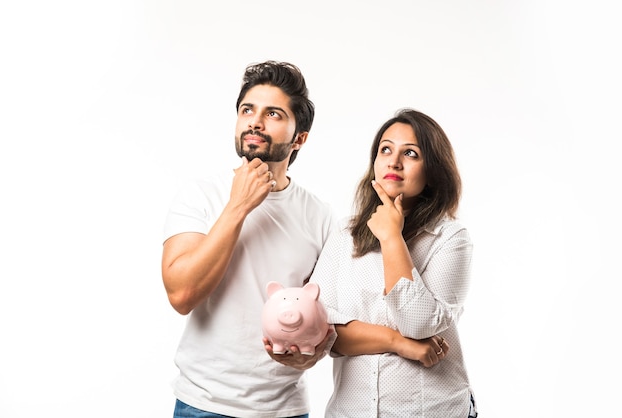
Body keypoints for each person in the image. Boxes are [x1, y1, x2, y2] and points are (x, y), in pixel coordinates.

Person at [161, 61, 336, 418]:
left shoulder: (320, 217)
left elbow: (327, 321)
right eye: (247, 110)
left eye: (273, 113)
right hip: (203, 404)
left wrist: (312, 352)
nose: (255, 121)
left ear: (299, 138)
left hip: (286, 409)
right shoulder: (201, 196)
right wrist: (239, 206)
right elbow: (181, 295)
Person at [310, 108, 478, 417]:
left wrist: (391, 238)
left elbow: (419, 323)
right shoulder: (345, 234)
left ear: (432, 171)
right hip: (351, 411)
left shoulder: (450, 238)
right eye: (385, 149)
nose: (394, 161)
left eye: (411, 153)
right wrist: (400, 343)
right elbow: (322, 330)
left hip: (431, 410)